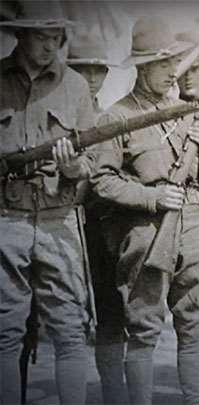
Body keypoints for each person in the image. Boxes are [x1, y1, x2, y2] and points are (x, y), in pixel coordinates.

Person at [91, 16, 199, 405]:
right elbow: (102, 180)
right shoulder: (117, 116)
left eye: (174, 63)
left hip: (195, 223)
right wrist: (152, 198)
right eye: (162, 64)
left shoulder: (189, 111)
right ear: (142, 66)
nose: (171, 72)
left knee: (194, 325)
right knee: (144, 328)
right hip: (146, 229)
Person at [0, 2, 96, 404]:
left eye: (56, 38)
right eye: (42, 36)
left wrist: (73, 166)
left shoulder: (75, 86)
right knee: (5, 330)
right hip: (6, 218)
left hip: (59, 217)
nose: (50, 46)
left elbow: (92, 163)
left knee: (70, 328)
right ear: (20, 35)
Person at [66, 32, 130, 404]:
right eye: (82, 69)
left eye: (98, 70)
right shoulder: (52, 112)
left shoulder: (109, 115)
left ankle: (113, 390)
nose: (91, 77)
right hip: (60, 221)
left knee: (110, 307)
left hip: (100, 226)